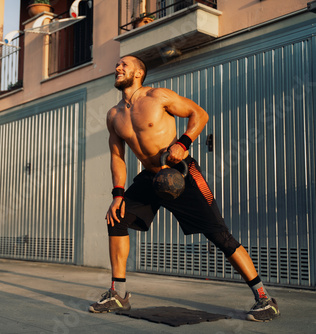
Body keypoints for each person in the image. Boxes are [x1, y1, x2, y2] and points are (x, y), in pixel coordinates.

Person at [88, 55, 280, 322]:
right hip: (150, 177)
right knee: (116, 217)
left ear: (139, 73)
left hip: (180, 172)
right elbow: (117, 157)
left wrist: (184, 142)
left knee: (219, 234)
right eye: (117, 64)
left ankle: (264, 299)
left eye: (124, 64)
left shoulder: (158, 96)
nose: (118, 67)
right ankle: (118, 294)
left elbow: (199, 114)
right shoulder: (114, 115)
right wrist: (118, 195)